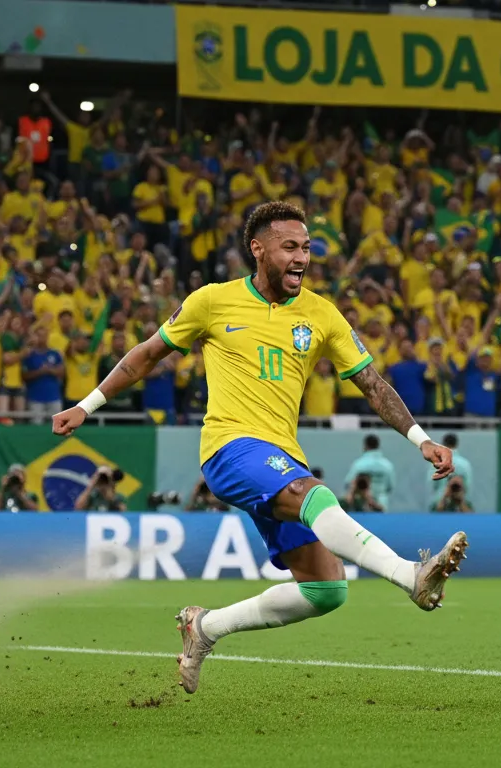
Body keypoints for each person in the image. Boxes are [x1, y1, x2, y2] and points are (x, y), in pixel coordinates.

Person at [51, 201, 467, 696]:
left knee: (327, 589)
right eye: (289, 246)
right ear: (258, 248)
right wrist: (88, 404)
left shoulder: (321, 314)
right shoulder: (212, 301)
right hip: (229, 448)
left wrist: (420, 439)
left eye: (307, 248)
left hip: (280, 457)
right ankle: (409, 576)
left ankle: (204, 628)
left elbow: (372, 384)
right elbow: (146, 356)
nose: (301, 257)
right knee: (314, 495)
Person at [342, 434, 395, 510]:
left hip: (362, 505)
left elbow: (348, 483)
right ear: (378, 446)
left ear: (365, 446)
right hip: (381, 503)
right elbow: (390, 486)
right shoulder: (388, 465)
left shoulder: (358, 465)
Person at [430, 433, 473, 509]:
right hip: (459, 506)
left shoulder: (436, 464)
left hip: (439, 504)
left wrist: (444, 493)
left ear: (443, 444)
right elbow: (467, 486)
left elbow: (432, 485)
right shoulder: (465, 464)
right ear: (456, 444)